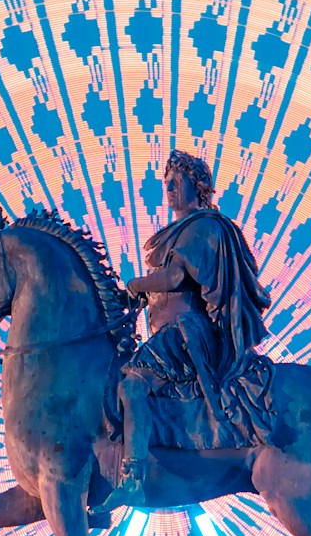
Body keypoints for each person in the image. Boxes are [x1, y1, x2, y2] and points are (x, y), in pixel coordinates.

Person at [103, 150, 273, 509]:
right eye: (166, 183)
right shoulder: (179, 231)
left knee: (132, 385)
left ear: (196, 186)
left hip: (186, 334)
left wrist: (136, 283)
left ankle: (132, 477)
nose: (169, 190)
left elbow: (176, 277)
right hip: (168, 333)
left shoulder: (203, 227)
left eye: (176, 182)